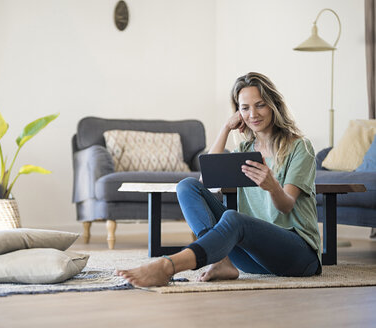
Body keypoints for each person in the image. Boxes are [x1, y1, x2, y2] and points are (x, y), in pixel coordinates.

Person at [116, 72, 322, 287]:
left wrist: (272, 187)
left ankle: (167, 266)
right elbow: (206, 181)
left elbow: (287, 205)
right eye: (245, 108)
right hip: (254, 260)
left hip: (298, 256)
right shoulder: (244, 150)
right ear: (238, 112)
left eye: (260, 105)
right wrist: (225, 128)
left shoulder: (299, 147)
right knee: (187, 186)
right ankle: (220, 260)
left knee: (234, 219)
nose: (253, 114)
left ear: (273, 105)